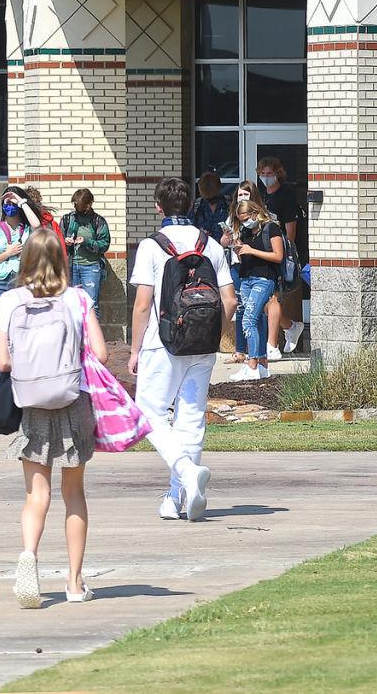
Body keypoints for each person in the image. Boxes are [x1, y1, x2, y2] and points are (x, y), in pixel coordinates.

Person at [0, 227, 109, 608]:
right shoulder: (77, 298)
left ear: (25, 260)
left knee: (35, 494)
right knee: (73, 493)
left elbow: (3, 362)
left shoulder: (10, 301)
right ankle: (75, 583)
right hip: (72, 400)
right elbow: (102, 353)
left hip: (32, 404)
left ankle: (29, 557)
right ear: (62, 259)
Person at [130, 177, 237, 523]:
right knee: (191, 418)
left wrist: (134, 350)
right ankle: (177, 497)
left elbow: (143, 305)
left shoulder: (151, 246)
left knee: (148, 413)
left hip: (162, 343)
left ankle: (186, 475)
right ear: (190, 206)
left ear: (159, 207)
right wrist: (210, 331)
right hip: (204, 345)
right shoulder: (211, 245)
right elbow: (230, 300)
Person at [226, 181, 284, 384]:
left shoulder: (271, 229)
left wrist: (251, 250)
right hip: (246, 278)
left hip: (264, 279)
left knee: (248, 320)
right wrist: (239, 251)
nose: (244, 223)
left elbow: (278, 256)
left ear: (254, 213)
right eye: (240, 220)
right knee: (256, 320)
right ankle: (262, 365)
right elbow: (245, 257)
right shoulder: (244, 231)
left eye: (246, 219)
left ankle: (252, 364)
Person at [257, 156, 306, 358]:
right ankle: (290, 326)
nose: (266, 177)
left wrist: (287, 256)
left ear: (278, 173)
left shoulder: (285, 195)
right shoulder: (261, 195)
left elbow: (290, 230)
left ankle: (272, 344)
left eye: (269, 173)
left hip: (280, 253)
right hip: (262, 252)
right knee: (263, 301)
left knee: (273, 297)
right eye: (262, 174)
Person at [0, 186, 42, 317]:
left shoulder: (27, 229)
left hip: (21, 281)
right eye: (7, 202)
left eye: (13, 202)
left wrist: (21, 201)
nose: (10, 205)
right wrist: (7, 254)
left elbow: (37, 225)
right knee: (2, 324)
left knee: (20, 324)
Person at [60, 189, 112, 305]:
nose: (77, 208)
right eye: (75, 205)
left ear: (88, 204)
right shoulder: (68, 219)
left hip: (91, 266)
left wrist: (87, 242)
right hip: (71, 266)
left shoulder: (98, 221)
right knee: (72, 303)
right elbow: (58, 241)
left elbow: (104, 244)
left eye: (80, 206)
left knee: (91, 304)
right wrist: (66, 242)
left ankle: (91, 324)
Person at [191, 172, 229, 242]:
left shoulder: (227, 204)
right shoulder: (197, 205)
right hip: (202, 248)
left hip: (224, 248)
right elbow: (190, 228)